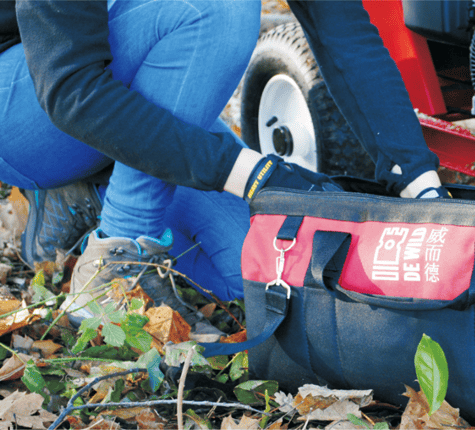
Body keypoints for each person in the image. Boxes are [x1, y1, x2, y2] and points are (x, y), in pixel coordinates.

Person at [0, 0, 447, 340]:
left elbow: (345, 36)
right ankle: (117, 256)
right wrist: (253, 175)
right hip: (27, 98)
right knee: (218, 6)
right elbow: (71, 91)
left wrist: (422, 184)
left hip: (114, 93)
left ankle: (84, 193)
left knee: (252, 270)